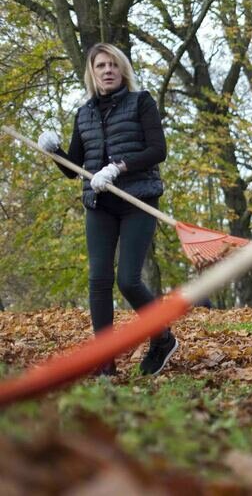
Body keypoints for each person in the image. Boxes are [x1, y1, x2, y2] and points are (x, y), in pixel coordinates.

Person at [38, 42, 179, 377]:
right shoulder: (84, 113)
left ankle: (162, 338)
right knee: (98, 280)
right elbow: (75, 169)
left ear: (122, 70)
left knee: (128, 279)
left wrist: (118, 167)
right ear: (92, 72)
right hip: (99, 204)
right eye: (101, 66)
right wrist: (55, 152)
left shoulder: (140, 102)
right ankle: (105, 363)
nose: (107, 71)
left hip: (138, 199)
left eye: (113, 65)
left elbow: (158, 149)